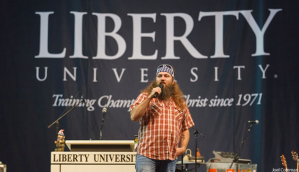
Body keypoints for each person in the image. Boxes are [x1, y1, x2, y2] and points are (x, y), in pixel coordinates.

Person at [130, 64, 195, 172]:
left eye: (166, 76)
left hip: (170, 158)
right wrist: (150, 97)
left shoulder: (180, 103)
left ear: (173, 81)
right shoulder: (145, 96)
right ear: (156, 80)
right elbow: (134, 116)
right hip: (147, 156)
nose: (162, 78)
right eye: (159, 76)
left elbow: (185, 128)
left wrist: (183, 148)